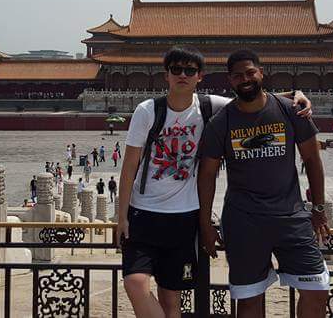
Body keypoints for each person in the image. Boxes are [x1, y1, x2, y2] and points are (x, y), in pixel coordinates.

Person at [118, 46, 312, 318]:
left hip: (184, 216)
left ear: (200, 76)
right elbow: (129, 166)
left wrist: (296, 94)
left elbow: (252, 97)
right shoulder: (147, 110)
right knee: (135, 283)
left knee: (171, 299)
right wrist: (122, 216)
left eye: (190, 71)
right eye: (176, 70)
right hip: (143, 213)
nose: (182, 75)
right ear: (166, 75)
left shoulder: (210, 106)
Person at [198, 50, 330, 317]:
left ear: (261, 73)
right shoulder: (221, 123)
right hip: (243, 222)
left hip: (291, 217)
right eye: (238, 76)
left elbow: (312, 160)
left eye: (250, 73)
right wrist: (205, 225)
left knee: (317, 290)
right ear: (230, 80)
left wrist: (318, 208)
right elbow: (207, 175)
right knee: (249, 300)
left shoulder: (290, 110)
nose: (245, 79)